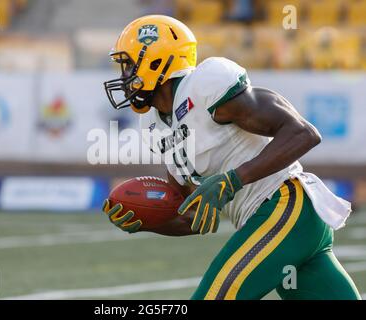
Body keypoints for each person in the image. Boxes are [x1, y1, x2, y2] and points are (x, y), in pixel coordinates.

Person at [102, 15, 360, 300]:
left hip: (286, 205)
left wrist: (233, 180)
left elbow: (302, 133)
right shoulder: (153, 125)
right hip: (278, 225)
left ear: (157, 61)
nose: (125, 76)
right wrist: (150, 222)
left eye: (129, 65)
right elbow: (192, 216)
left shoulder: (205, 85)